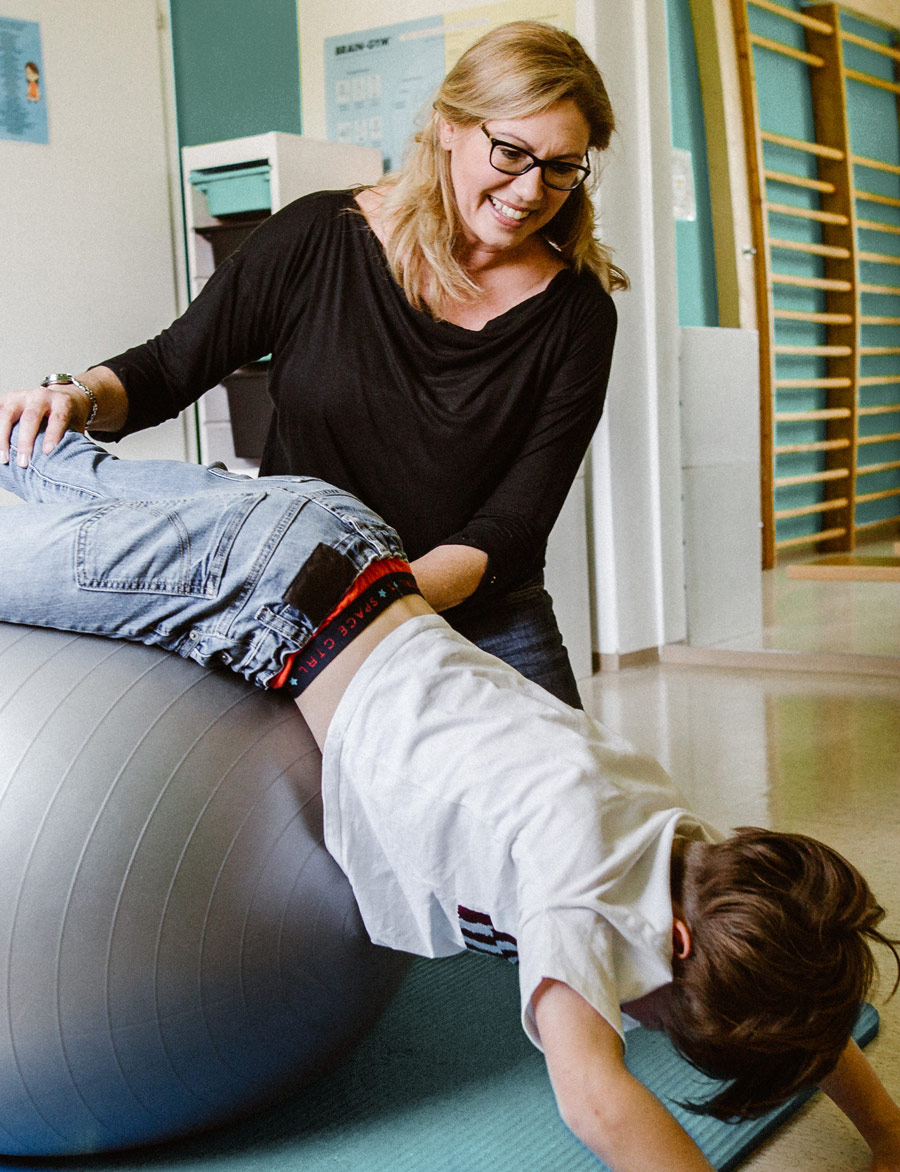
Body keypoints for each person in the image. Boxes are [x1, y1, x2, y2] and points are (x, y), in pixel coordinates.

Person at [2, 423, 899, 1172]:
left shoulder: (674, 837)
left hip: (342, 542)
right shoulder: (578, 897)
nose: (638, 1018)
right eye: (659, 1008)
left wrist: (887, 1132)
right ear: (673, 936)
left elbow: (799, 987)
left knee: (61, 477)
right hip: (256, 591)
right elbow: (598, 1104)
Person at [0, 21, 626, 708]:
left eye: (562, 167)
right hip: (303, 602)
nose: (532, 191)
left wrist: (378, 604)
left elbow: (513, 525)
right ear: (451, 125)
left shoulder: (578, 315)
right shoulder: (317, 237)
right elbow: (169, 367)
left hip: (480, 613)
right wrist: (75, 396)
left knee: (570, 805)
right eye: (510, 152)